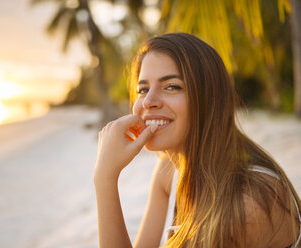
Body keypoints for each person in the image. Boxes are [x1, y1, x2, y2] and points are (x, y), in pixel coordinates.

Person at [93, 33, 301, 248]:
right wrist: (105, 176)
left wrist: (105, 179)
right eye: (143, 89)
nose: (148, 101)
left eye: (172, 86)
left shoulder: (249, 203)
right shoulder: (168, 171)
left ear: (209, 99)